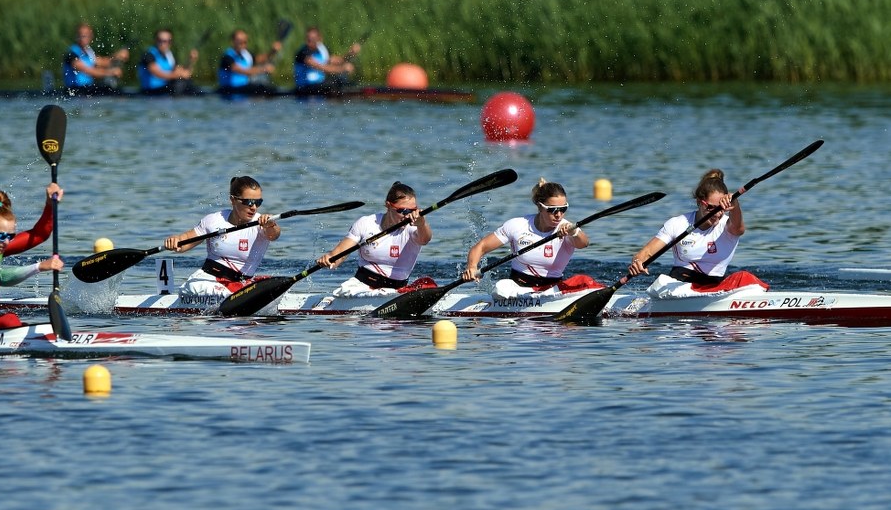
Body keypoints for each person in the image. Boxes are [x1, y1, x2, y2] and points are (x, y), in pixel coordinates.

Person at [462, 179, 598, 298]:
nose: (559, 214)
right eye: (552, 209)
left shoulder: (568, 228)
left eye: (563, 209)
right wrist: (472, 267)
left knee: (584, 281)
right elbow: (481, 247)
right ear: (539, 206)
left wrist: (574, 232)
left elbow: (584, 243)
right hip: (518, 289)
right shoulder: (517, 225)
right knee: (500, 288)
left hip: (552, 291)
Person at [628, 169, 749, 288]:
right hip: (681, 282)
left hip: (714, 285)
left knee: (744, 277)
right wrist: (638, 262)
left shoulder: (728, 226)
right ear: (699, 202)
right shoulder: (677, 224)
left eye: (721, 209)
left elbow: (738, 228)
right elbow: (646, 253)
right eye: (711, 208)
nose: (717, 214)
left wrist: (735, 204)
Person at [163, 176, 280, 296]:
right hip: (208, 280)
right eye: (248, 202)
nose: (254, 207)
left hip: (242, 284)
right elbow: (184, 242)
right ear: (233, 200)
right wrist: (176, 241)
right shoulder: (214, 220)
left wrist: (271, 225)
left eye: (258, 202)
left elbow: (274, 235)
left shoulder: (263, 223)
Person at [317, 182, 432, 296]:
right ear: (389, 205)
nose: (408, 215)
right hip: (362, 287)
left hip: (396, 291)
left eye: (413, 210)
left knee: (428, 284)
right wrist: (329, 259)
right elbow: (338, 256)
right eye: (403, 211)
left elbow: (425, 239)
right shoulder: (366, 223)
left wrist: (422, 223)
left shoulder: (415, 227)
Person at [0, 186, 65, 331]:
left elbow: (38, 235)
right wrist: (39, 266)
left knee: (15, 323)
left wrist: (50, 205)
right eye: (1, 235)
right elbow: (2, 277)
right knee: (10, 320)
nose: (6, 241)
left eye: (10, 236)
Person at [62, 23, 130, 95]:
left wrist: (118, 56)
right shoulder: (72, 54)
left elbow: (105, 62)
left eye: (86, 35)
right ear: (77, 36)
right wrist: (110, 72)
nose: (83, 38)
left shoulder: (89, 52)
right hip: (74, 91)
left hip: (87, 90)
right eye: (81, 35)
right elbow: (89, 71)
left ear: (91, 36)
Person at [293, 26, 361, 96]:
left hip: (320, 84)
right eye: (308, 39)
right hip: (305, 87)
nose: (310, 41)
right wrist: (342, 69)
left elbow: (340, 60)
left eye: (313, 39)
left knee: (343, 80)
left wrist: (351, 53)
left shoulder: (322, 50)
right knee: (335, 82)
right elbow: (321, 67)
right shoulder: (303, 53)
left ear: (319, 39)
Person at [216, 29, 282, 96]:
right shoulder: (227, 57)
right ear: (233, 42)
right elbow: (242, 71)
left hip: (244, 88)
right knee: (261, 89)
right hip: (229, 89)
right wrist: (263, 69)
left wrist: (273, 51)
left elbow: (261, 59)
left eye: (244, 42)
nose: (242, 44)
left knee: (266, 88)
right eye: (239, 42)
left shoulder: (246, 54)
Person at [137, 28, 200, 95]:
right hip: (151, 91)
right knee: (180, 83)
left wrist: (191, 61)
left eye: (168, 41)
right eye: (161, 41)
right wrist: (178, 75)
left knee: (186, 83)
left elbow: (184, 73)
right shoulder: (148, 55)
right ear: (155, 40)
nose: (164, 44)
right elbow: (157, 73)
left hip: (166, 89)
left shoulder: (170, 56)